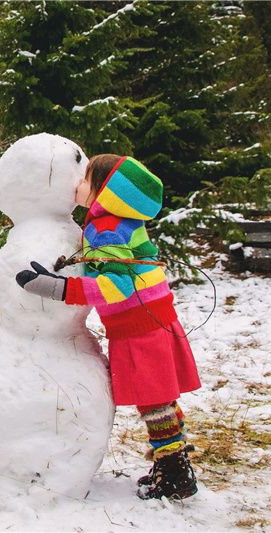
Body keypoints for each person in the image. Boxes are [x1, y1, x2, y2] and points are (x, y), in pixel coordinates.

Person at [15, 154, 201, 500]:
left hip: (139, 326)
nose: (77, 185)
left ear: (106, 192)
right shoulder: (122, 221)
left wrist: (58, 288)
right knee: (161, 398)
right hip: (153, 318)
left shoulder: (105, 227)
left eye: (86, 179)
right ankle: (172, 465)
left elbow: (117, 288)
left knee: (154, 402)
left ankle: (176, 474)